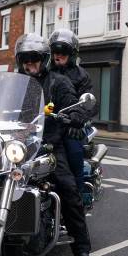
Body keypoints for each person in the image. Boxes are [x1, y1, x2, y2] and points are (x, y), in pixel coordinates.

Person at [15, 33, 93, 256]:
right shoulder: (15, 83)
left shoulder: (58, 82)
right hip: (16, 145)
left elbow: (74, 104)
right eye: (25, 59)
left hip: (48, 143)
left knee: (68, 188)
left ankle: (81, 248)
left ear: (44, 59)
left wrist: (75, 117)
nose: (30, 63)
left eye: (34, 58)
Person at [48, 29, 96, 193]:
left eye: (63, 51)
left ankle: (78, 193)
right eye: (55, 51)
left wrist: (76, 120)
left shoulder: (81, 76)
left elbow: (88, 102)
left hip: (70, 124)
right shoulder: (45, 72)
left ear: (72, 54)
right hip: (47, 122)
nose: (58, 55)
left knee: (73, 150)